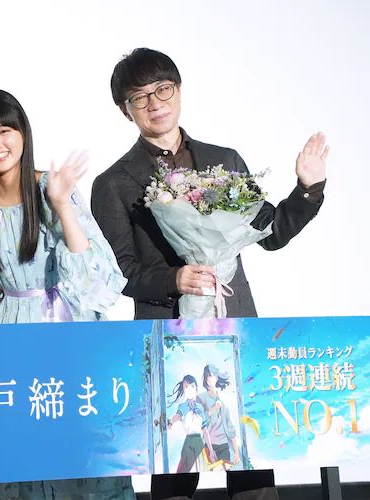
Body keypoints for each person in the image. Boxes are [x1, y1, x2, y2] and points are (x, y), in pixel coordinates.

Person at [0, 89, 131, 499]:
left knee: (86, 450)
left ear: (23, 133)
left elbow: (97, 280)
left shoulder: (49, 188)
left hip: (68, 328)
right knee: (22, 454)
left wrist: (61, 203)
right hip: (7, 337)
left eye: (4, 130)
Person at [92, 48, 329, 320]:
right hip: (163, 323)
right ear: (126, 110)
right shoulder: (112, 184)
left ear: (178, 91)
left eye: (163, 89)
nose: (155, 103)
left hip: (234, 316)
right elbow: (117, 270)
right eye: (139, 97)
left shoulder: (224, 160)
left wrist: (308, 189)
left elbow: (270, 234)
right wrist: (172, 279)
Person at [167, 375, 213, 473]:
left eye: (192, 386)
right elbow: (177, 416)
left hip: (199, 442)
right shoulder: (183, 406)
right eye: (186, 387)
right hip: (189, 441)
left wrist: (211, 450)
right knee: (184, 470)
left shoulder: (200, 407)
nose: (189, 389)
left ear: (196, 388)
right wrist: (171, 422)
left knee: (202, 469)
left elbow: (205, 430)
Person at [197, 363, 239, 466]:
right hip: (209, 445)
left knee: (225, 472)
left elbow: (230, 426)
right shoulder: (201, 398)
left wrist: (236, 451)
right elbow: (200, 420)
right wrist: (214, 408)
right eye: (207, 376)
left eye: (211, 376)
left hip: (224, 444)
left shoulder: (223, 399)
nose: (209, 379)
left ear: (216, 377)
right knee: (212, 473)